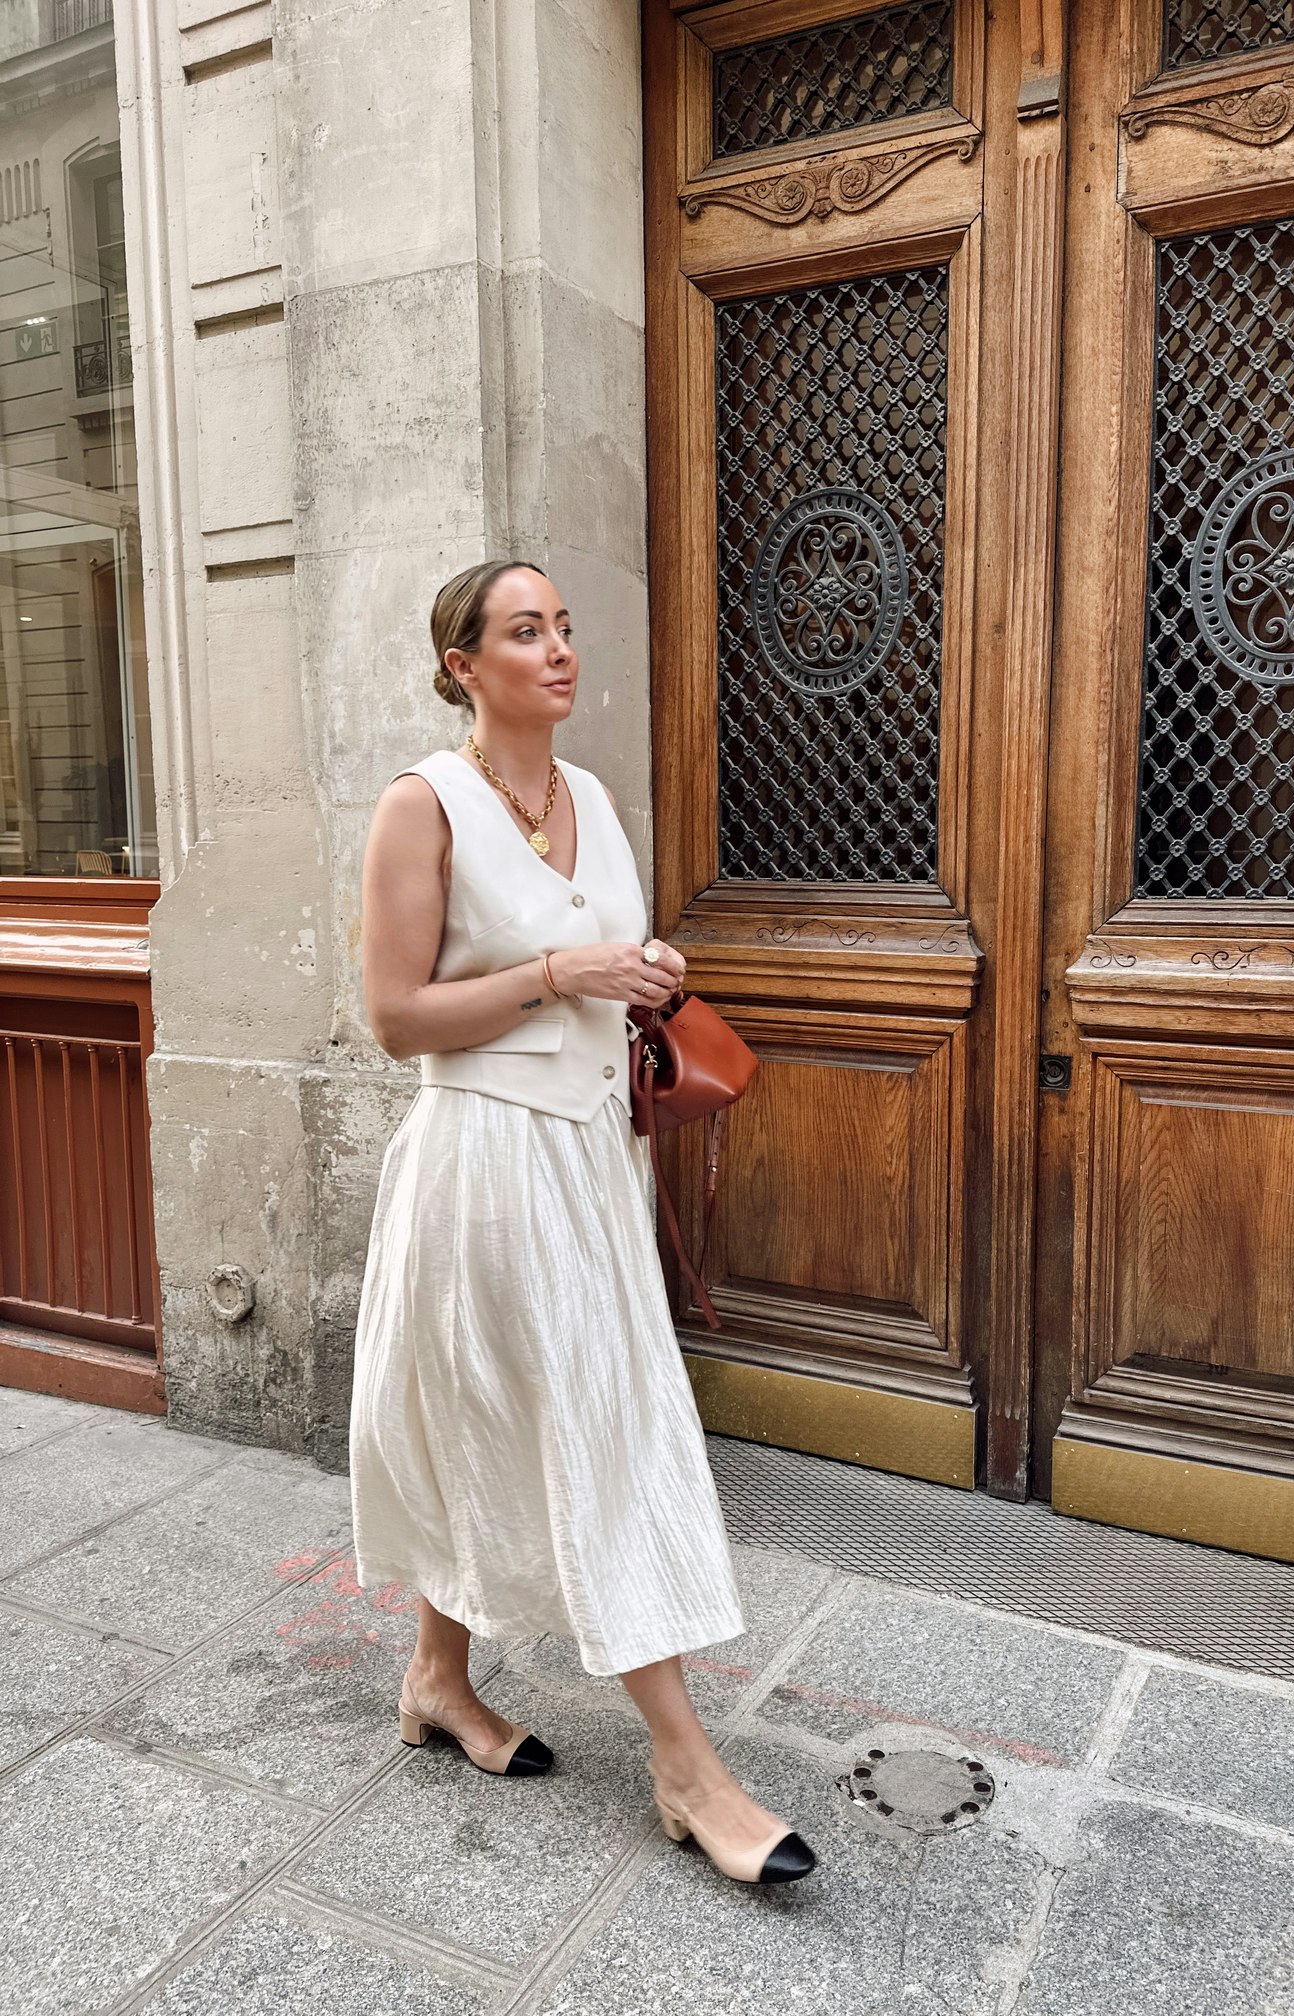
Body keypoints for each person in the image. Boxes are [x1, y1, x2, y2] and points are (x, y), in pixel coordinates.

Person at [348, 560, 815, 1887]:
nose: (558, 649)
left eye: (562, 626)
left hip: (593, 1161)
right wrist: (560, 972)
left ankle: (437, 1679)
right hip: (487, 1166)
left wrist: (644, 971)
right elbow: (395, 1019)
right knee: (594, 1436)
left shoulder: (592, 798)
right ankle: (688, 1769)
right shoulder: (421, 805)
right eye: (524, 631)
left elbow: (603, 956)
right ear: (463, 666)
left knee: (506, 1417)